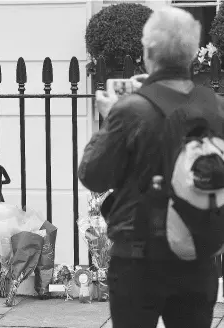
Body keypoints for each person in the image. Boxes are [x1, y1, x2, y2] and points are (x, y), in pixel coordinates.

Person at [79, 7, 223, 328]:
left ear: (149, 53)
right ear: (191, 54)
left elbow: (93, 174)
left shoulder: (131, 110)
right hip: (198, 255)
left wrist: (109, 118)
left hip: (139, 258)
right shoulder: (216, 107)